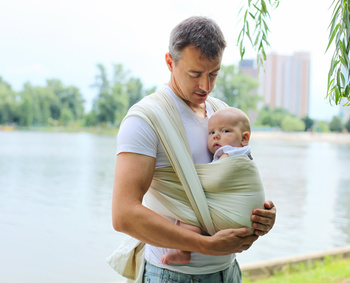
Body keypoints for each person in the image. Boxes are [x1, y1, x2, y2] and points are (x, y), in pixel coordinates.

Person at [110, 16, 276, 282]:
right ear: (169, 62)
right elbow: (123, 215)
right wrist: (205, 245)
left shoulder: (221, 113)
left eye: (214, 74)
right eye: (195, 74)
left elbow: (236, 177)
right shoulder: (145, 119)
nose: (205, 86)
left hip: (228, 271)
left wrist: (262, 215)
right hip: (173, 275)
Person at [161, 106, 262, 265]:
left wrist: (185, 180)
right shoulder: (240, 154)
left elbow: (215, 178)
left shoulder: (231, 153)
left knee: (188, 213)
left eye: (225, 131)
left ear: (244, 138)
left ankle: (184, 251)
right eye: (212, 132)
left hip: (234, 218)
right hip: (245, 222)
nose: (216, 137)